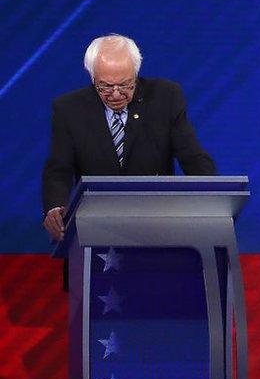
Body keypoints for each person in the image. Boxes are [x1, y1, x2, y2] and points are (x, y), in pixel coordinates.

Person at [42, 35, 216, 285]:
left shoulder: (166, 97)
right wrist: (54, 207)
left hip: (156, 230)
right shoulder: (68, 109)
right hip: (96, 234)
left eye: (125, 85)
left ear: (136, 73)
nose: (115, 94)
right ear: (92, 78)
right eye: (104, 87)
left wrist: (209, 198)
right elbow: (58, 169)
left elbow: (193, 156)